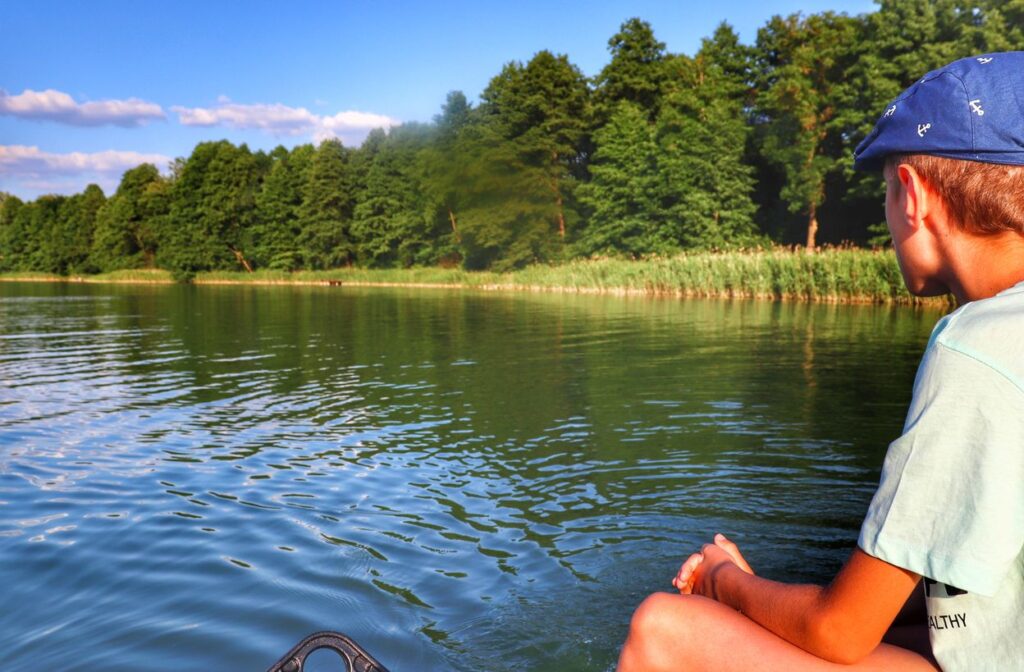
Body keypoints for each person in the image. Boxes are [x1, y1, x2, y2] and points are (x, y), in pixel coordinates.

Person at [618, 52, 1024, 671]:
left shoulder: (978, 345)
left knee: (664, 630)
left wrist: (725, 583)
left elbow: (840, 633)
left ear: (912, 195)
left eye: (886, 190)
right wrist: (767, 606)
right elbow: (971, 605)